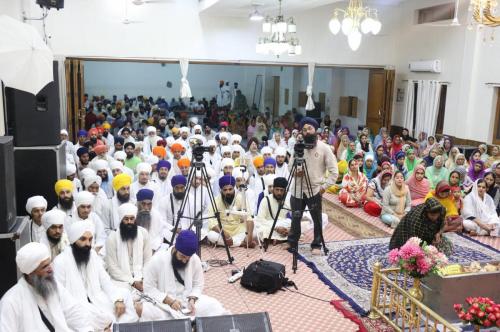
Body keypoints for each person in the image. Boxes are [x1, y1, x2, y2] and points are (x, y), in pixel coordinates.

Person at [53, 221, 139, 330]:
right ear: (74, 240)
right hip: (78, 305)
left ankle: (114, 327)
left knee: (125, 295)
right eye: (83, 239)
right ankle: (112, 326)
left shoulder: (92, 255)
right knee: (86, 317)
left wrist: (118, 299)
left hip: (97, 298)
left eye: (90, 239)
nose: (88, 244)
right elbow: (60, 296)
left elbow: (105, 281)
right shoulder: (60, 261)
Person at [0, 242, 92, 332]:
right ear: (30, 272)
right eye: (44, 267)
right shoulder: (11, 302)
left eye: (50, 263)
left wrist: (87, 330)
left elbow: (74, 312)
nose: (51, 269)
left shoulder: (53, 285)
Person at [143, 230, 227, 320]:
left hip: (186, 303)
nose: (184, 261)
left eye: (188, 258)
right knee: (145, 310)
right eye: (182, 256)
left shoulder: (194, 259)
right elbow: (148, 288)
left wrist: (192, 299)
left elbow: (198, 285)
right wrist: (169, 300)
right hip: (164, 305)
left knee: (214, 306)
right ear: (175, 248)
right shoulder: (157, 260)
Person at [286, 117, 338, 255]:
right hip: (297, 188)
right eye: (304, 129)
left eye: (310, 128)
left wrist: (323, 188)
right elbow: (290, 166)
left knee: (316, 218)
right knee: (295, 217)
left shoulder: (324, 148)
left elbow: (334, 172)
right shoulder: (298, 146)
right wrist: (296, 172)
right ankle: (292, 242)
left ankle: (316, 244)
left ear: (315, 130)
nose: (307, 131)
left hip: (314, 189)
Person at [105, 203, 152, 291]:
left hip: (141, 277)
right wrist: (132, 282)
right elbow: (112, 267)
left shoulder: (143, 233)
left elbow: (148, 260)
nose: (129, 222)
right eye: (126, 219)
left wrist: (143, 278)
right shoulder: (112, 238)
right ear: (121, 220)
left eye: (132, 218)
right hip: (121, 280)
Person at [207, 175, 256, 248]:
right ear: (221, 190)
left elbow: (249, 217)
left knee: (254, 231)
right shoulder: (215, 201)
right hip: (223, 229)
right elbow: (212, 221)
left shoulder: (240, 198)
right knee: (211, 235)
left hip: (238, 229)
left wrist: (249, 235)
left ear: (234, 189)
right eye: (225, 190)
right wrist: (225, 234)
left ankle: (233, 243)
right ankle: (241, 243)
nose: (228, 192)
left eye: (230, 189)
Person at [255, 177, 291, 243]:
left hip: (283, 225)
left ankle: (275, 239)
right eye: (277, 190)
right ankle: (282, 238)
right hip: (269, 225)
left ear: (285, 191)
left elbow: (292, 217)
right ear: (273, 189)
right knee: (259, 229)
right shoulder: (265, 200)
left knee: (297, 225)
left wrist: (289, 229)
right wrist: (276, 227)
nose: (279, 193)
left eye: (281, 190)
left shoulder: (288, 200)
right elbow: (260, 219)